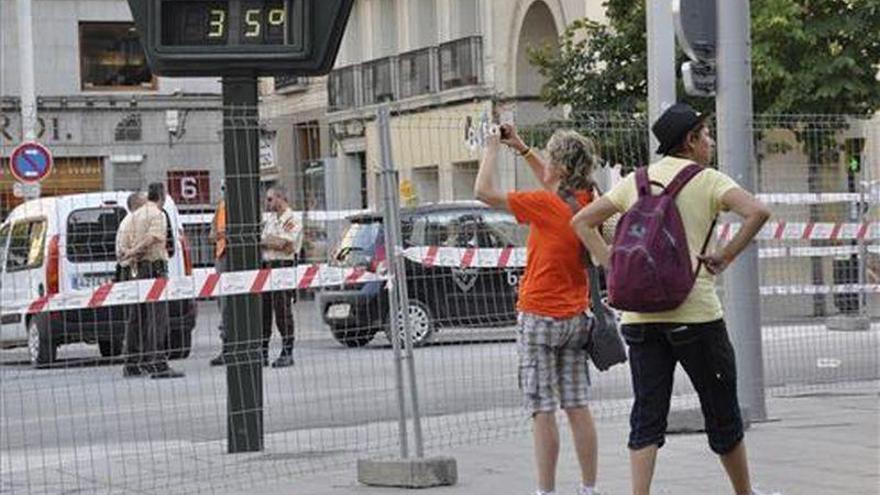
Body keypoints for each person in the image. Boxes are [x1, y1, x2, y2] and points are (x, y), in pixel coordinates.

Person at [571, 103, 772, 495]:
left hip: (640, 319)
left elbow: (581, 221)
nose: (710, 141)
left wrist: (610, 262)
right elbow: (758, 212)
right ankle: (745, 493)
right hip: (696, 315)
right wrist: (725, 257)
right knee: (721, 410)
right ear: (691, 140)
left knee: (647, 413)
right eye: (707, 134)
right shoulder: (709, 180)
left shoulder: (636, 181)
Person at [475, 124, 602, 495]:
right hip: (577, 317)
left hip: (539, 316)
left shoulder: (544, 205)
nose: (544, 161)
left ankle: (546, 491)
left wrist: (492, 148)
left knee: (543, 408)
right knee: (577, 405)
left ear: (560, 166)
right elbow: (555, 189)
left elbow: (482, 192)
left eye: (550, 156)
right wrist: (523, 148)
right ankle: (588, 487)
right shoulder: (587, 201)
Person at [121, 182, 185, 379]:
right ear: (162, 195)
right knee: (157, 317)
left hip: (137, 269)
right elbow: (153, 238)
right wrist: (135, 251)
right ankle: (157, 362)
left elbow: (126, 242)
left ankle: (132, 362)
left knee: (137, 316)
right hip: (154, 266)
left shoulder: (134, 215)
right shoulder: (158, 214)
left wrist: (131, 254)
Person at [261, 186, 303, 368]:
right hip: (267, 265)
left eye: (270, 199)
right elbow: (265, 241)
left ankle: (287, 351)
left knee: (282, 312)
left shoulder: (292, 219)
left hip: (283, 266)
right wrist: (271, 241)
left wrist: (268, 241)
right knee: (264, 312)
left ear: (280, 198)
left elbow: (286, 245)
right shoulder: (271, 219)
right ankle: (262, 351)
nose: (267, 203)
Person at [116, 191, 145, 375]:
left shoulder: (129, 221)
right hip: (133, 270)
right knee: (136, 318)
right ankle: (132, 362)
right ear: (137, 205)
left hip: (130, 270)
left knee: (137, 318)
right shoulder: (133, 222)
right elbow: (129, 251)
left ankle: (134, 360)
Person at [209, 184, 229, 366]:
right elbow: (212, 234)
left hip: (235, 257)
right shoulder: (220, 208)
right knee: (223, 304)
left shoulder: (245, 205)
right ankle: (227, 347)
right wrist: (219, 234)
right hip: (222, 257)